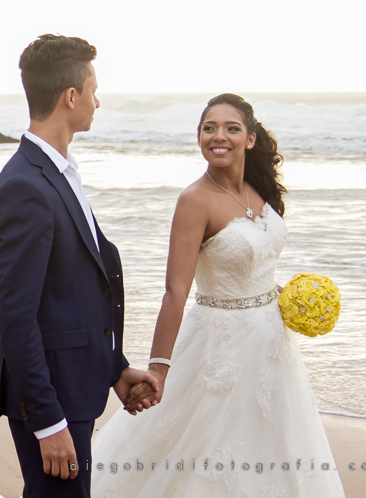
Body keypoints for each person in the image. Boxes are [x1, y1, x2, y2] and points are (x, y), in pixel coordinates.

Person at [90, 93, 346, 497]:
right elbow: (175, 291)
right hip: (218, 346)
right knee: (208, 455)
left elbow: (256, 262)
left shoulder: (258, 191)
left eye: (231, 128)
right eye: (209, 128)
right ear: (199, 138)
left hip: (273, 345)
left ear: (251, 139)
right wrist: (159, 368)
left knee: (276, 448)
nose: (218, 136)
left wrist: (285, 294)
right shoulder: (194, 200)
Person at [0, 34, 158, 498]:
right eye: (93, 89)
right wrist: (47, 422)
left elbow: (75, 293)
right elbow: (17, 318)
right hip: (51, 399)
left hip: (75, 385)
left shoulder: (61, 172)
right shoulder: (25, 186)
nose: (98, 101)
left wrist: (115, 369)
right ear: (71, 96)